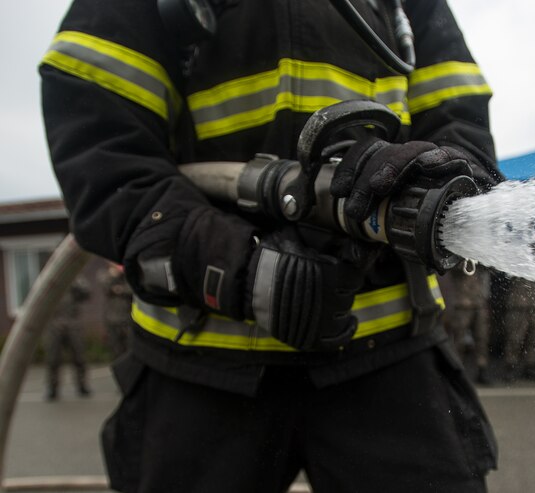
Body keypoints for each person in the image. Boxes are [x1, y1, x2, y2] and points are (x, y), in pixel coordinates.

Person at [41, 1, 504, 491]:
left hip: (389, 351)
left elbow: (464, 131)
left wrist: (434, 173)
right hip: (200, 363)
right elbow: (103, 153)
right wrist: (236, 268)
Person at [438, 265, 494, 384]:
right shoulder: (459, 258)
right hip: (462, 304)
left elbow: (488, 269)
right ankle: (457, 370)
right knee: (459, 339)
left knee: (482, 338)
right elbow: (455, 268)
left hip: (478, 303)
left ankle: (482, 369)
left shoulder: (478, 259)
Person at [44, 278, 91, 401]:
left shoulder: (74, 284)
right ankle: (52, 388)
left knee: (79, 357)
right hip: (55, 324)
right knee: (53, 358)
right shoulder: (49, 283)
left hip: (73, 323)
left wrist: (75, 281)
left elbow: (86, 294)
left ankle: (82, 386)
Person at [501, 276, 535, 382]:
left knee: (534, 340)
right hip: (518, 306)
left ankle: (530, 367)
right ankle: (510, 367)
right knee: (515, 339)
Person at [100, 262, 133, 358]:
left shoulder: (127, 277)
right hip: (112, 319)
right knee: (115, 349)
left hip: (127, 319)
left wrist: (120, 289)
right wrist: (114, 276)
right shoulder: (106, 275)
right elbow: (105, 286)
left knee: (129, 347)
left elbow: (133, 290)